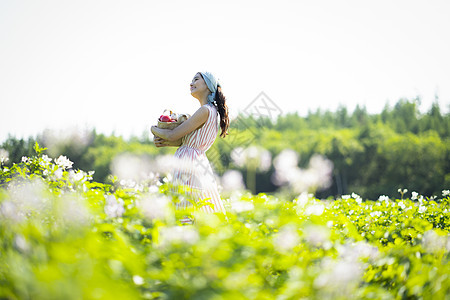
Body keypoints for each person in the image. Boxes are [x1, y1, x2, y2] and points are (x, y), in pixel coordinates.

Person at [151, 71, 229, 223]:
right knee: (198, 207)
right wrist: (164, 141)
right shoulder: (212, 112)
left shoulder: (205, 110)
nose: (191, 83)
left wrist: (153, 129)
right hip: (197, 162)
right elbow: (185, 141)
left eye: (196, 79)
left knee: (185, 208)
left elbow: (173, 135)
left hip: (188, 164)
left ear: (207, 84)